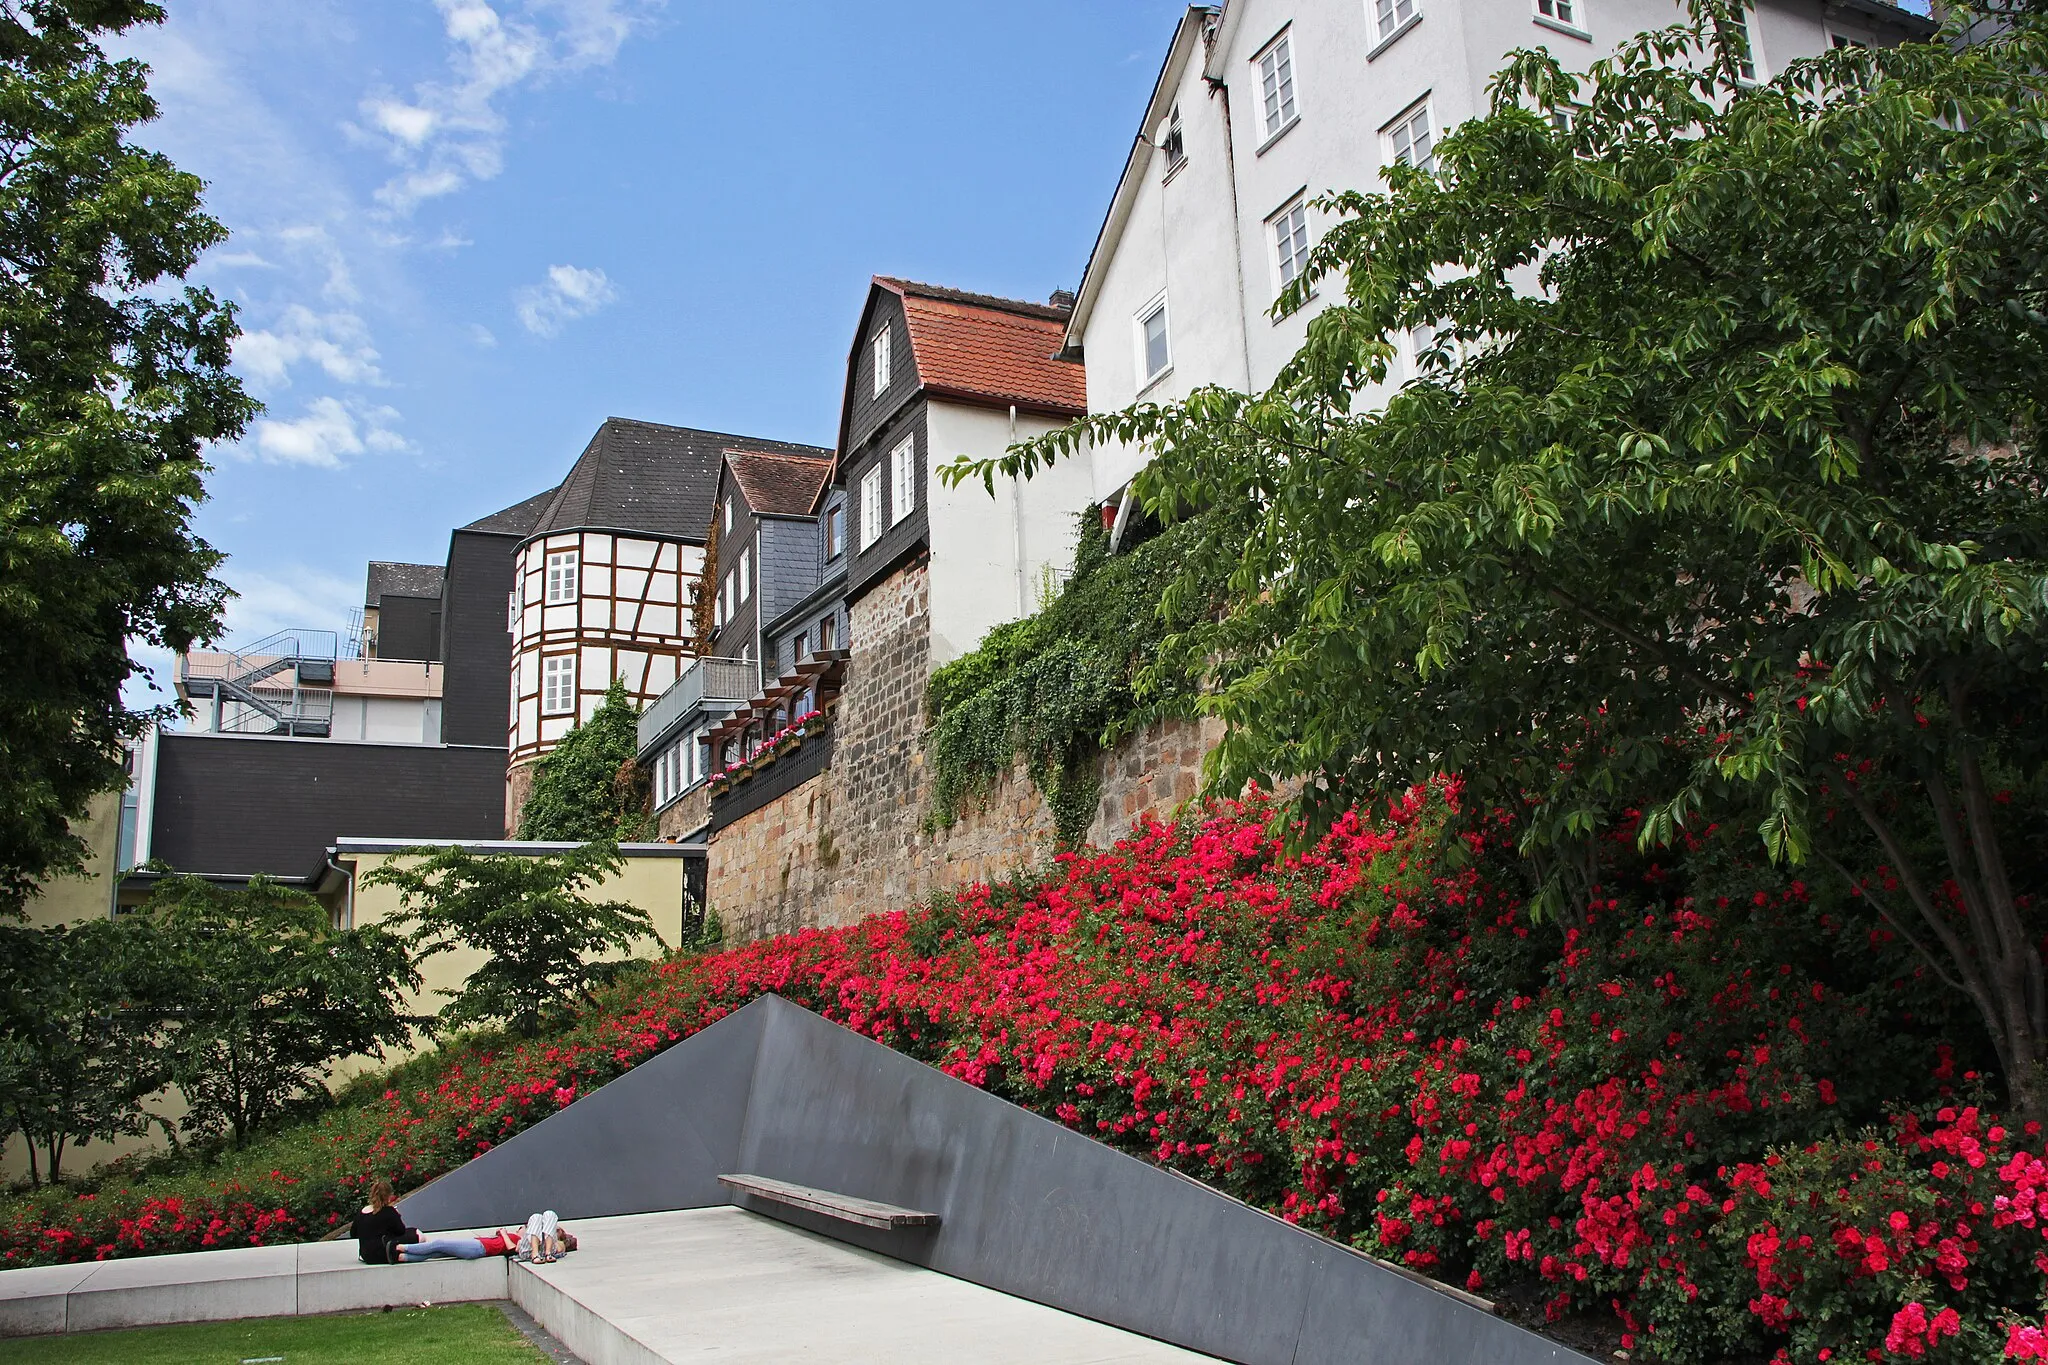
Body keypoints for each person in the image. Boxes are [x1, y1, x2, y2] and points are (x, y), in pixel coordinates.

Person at [398, 1222, 577, 1263]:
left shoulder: (523, 1241)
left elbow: (512, 1249)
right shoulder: (521, 1238)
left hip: (480, 1248)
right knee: (436, 1253)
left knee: (439, 1244)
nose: (522, 1228)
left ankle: (400, 1247)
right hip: (479, 1245)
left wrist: (506, 1234)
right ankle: (403, 1257)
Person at [349, 1178, 411, 1265]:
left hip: (366, 1255)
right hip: (383, 1253)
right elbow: (401, 1230)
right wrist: (397, 1215)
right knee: (415, 1234)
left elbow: (353, 1233)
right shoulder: (389, 1211)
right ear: (389, 1195)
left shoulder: (362, 1212)